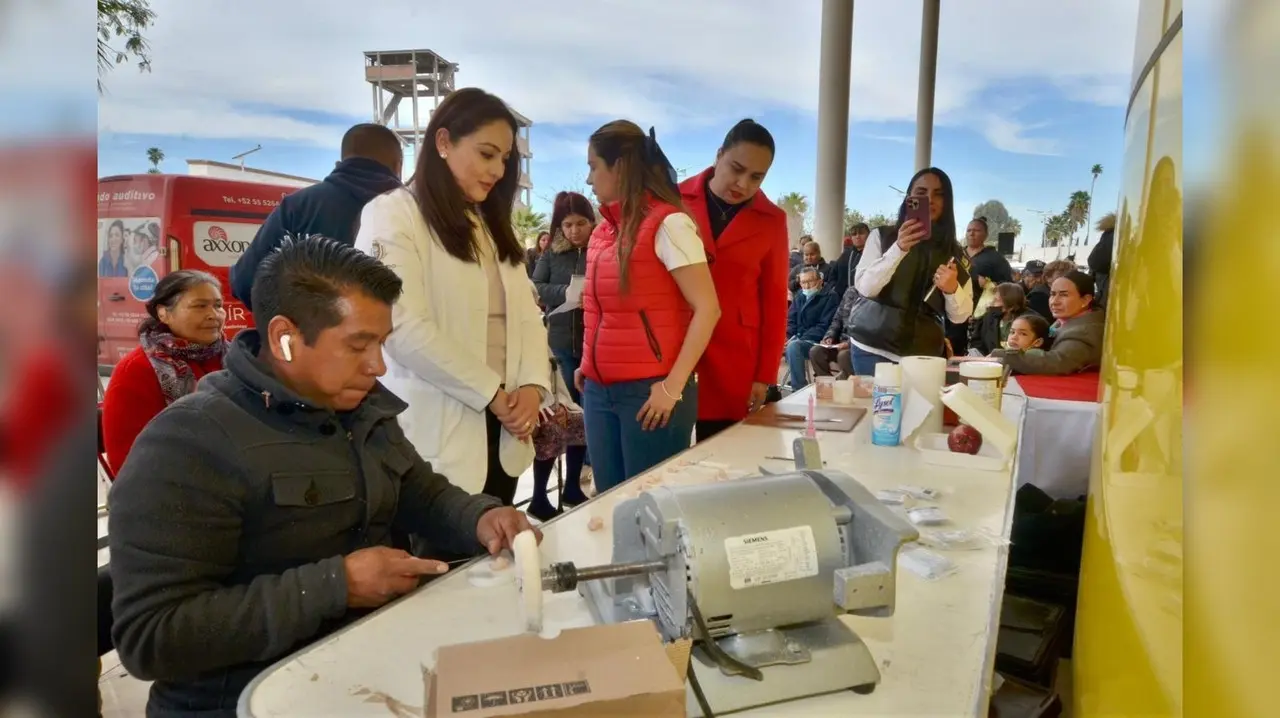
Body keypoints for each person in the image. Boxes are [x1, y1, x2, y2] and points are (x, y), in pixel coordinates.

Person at [108, 237, 538, 717]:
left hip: (359, 674)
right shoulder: (189, 443)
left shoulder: (360, 404)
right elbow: (152, 636)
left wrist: (480, 517)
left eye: (381, 344)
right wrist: (337, 586)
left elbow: (416, 488)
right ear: (284, 337)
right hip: (245, 702)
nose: (378, 366)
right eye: (358, 345)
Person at [354, 88, 550, 508]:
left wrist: (533, 386)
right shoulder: (392, 214)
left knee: (497, 563)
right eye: (486, 154)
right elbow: (401, 327)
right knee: (447, 566)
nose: (498, 169)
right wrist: (493, 394)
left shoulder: (494, 223)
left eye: (505, 159)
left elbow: (527, 315)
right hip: (435, 440)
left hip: (506, 432)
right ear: (443, 142)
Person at [575, 121, 720, 492]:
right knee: (607, 504)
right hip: (599, 390)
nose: (589, 178)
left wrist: (672, 387)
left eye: (593, 166)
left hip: (652, 392)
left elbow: (708, 309)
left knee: (650, 511)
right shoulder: (603, 231)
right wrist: (588, 363)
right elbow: (600, 307)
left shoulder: (670, 224)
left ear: (619, 166)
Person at [677, 118, 788, 440]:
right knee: (666, 468)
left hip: (735, 357)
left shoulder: (773, 221)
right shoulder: (673, 200)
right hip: (674, 348)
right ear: (718, 154)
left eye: (757, 177)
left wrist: (764, 375)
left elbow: (775, 300)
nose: (743, 182)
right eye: (736, 168)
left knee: (721, 465)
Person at [230, 123, 404, 309]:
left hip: (314, 333)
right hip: (404, 334)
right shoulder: (418, 211)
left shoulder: (298, 207)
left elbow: (245, 282)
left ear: (341, 161)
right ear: (398, 166)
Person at [844, 167, 973, 374]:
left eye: (939, 194)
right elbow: (866, 288)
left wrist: (952, 289)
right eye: (921, 193)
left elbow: (960, 316)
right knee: (876, 407)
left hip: (923, 354)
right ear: (908, 198)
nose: (930, 199)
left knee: (918, 408)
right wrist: (899, 249)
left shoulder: (956, 253)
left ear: (947, 202)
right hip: (871, 346)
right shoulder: (882, 236)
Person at [101, 270, 228, 476]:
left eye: (218, 305)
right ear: (164, 313)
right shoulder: (136, 371)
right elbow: (127, 463)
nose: (214, 314)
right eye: (200, 306)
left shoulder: (235, 357)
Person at [529, 190, 597, 515]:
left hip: (593, 346)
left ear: (591, 221)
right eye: (567, 225)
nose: (573, 231)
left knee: (582, 421)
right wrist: (565, 293)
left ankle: (572, 486)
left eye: (580, 223)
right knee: (555, 419)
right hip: (558, 346)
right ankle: (540, 495)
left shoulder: (601, 248)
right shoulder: (553, 253)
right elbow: (535, 285)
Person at [993, 271, 1104, 374]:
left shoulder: (1086, 331)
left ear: (1085, 300)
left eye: (1064, 295)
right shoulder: (1066, 320)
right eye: (1052, 294)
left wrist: (1004, 356)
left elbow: (1056, 362)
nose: (1054, 302)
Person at [948, 216, 1013, 355]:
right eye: (969, 230)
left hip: (982, 314)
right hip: (955, 308)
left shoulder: (995, 258)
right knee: (953, 346)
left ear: (985, 234)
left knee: (975, 349)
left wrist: (989, 284)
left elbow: (1008, 286)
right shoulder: (957, 254)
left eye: (976, 230)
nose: (971, 233)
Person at [783, 267, 839, 388]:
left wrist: (800, 338)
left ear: (820, 281)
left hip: (817, 340)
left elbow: (825, 325)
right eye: (803, 282)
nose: (807, 286)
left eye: (810, 281)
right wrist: (787, 336)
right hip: (798, 338)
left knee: (794, 347)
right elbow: (791, 320)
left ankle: (798, 388)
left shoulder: (830, 296)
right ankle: (770, 388)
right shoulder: (800, 296)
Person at [969, 282, 1032, 355]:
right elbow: (977, 342)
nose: (991, 303)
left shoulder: (1029, 321)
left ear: (1010, 306)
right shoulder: (988, 317)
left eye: (996, 300)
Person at [826, 222, 869, 298]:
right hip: (842, 298)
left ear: (869, 235)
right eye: (854, 234)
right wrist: (834, 288)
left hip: (863, 299)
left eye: (861, 233)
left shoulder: (873, 254)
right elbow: (833, 274)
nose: (857, 236)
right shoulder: (846, 255)